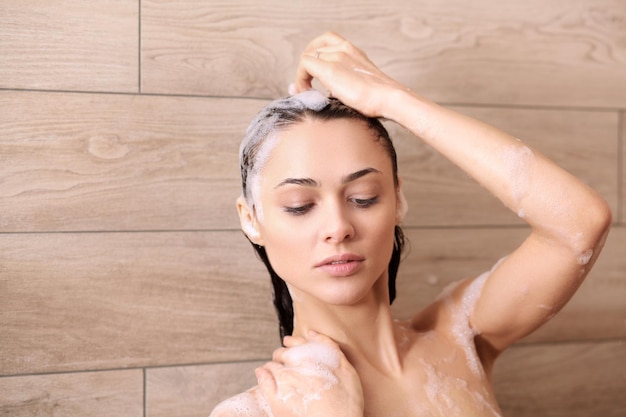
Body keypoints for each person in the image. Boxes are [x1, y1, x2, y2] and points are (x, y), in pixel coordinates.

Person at [210, 32, 611, 417]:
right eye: (300, 206)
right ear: (252, 220)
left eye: (363, 197)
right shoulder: (255, 411)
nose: (338, 226)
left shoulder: (460, 337)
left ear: (398, 199)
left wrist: (391, 97)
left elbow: (579, 223)